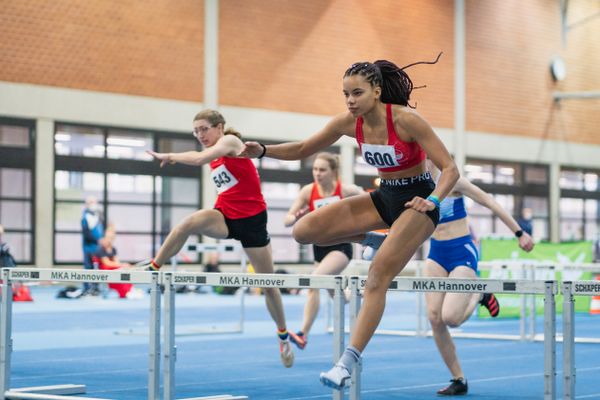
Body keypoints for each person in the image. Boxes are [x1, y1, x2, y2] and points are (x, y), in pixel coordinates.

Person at [241, 56, 459, 389]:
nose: (350, 101)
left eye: (357, 93)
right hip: (385, 198)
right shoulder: (348, 122)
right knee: (305, 232)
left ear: (376, 90)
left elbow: (450, 168)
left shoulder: (406, 120)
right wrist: (262, 151)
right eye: (345, 94)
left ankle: (346, 363)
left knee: (375, 278)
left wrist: (432, 201)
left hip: (417, 204)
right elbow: (302, 148)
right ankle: (371, 239)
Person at [365, 161, 535, 395]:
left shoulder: (454, 182)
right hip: (436, 254)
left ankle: (479, 293)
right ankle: (459, 379)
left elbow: (489, 201)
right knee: (435, 319)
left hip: (461, 251)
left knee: (451, 318)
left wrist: (519, 232)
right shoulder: (417, 187)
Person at [144, 109, 295, 368]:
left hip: (252, 222)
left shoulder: (231, 143)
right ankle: (154, 266)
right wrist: (173, 157)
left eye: (204, 129)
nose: (200, 135)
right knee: (188, 223)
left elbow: (201, 158)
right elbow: (200, 156)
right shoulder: (213, 152)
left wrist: (170, 156)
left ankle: (282, 335)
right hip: (224, 216)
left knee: (268, 285)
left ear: (220, 127)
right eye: (196, 131)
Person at [284, 152, 363, 350]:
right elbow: (287, 220)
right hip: (318, 248)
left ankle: (303, 333)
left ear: (333, 171)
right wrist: (296, 217)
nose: (317, 173)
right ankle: (352, 297)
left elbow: (375, 202)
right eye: (315, 169)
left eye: (322, 170)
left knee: (314, 281)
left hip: (340, 247)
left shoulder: (346, 190)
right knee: (337, 293)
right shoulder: (308, 192)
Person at [94, 227, 135, 299]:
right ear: (105, 237)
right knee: (119, 271)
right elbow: (107, 263)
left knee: (124, 270)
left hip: (113, 269)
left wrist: (124, 266)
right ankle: (125, 291)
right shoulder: (100, 249)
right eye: (108, 237)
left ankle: (128, 290)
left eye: (111, 238)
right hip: (104, 270)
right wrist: (121, 265)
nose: (109, 240)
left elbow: (116, 261)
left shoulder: (113, 249)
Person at [81, 196, 104, 296]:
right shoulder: (85, 217)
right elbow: (86, 233)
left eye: (94, 202)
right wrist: (97, 240)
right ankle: (87, 288)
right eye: (91, 202)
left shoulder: (98, 215)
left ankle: (95, 288)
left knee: (97, 268)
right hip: (89, 247)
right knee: (88, 268)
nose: (93, 204)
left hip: (97, 247)